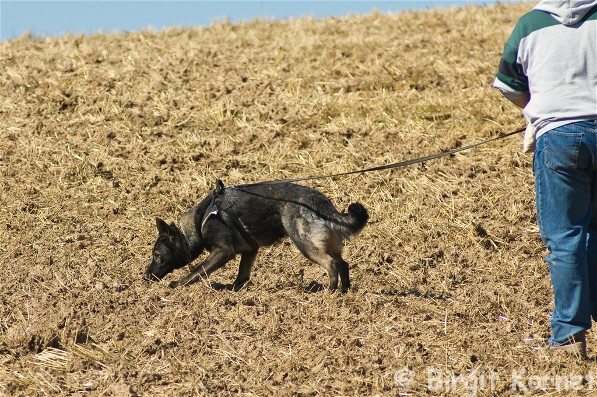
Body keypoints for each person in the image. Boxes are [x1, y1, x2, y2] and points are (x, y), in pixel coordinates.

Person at [493, 0, 597, 357]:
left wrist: (537, 111)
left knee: (566, 237)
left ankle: (569, 337)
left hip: (560, 140)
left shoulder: (529, 25)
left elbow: (507, 83)